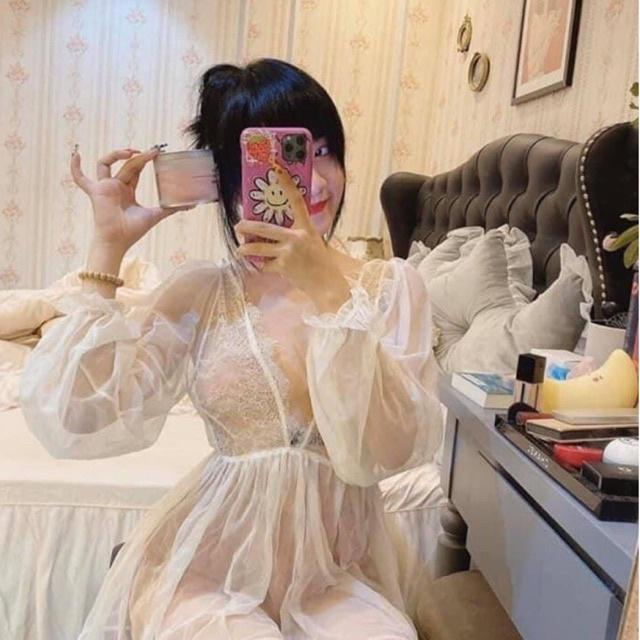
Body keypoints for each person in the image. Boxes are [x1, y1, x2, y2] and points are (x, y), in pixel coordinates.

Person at [20, 58, 442, 639]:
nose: (316, 181)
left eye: (320, 150)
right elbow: (79, 417)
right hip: (210, 566)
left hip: (338, 573)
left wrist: (329, 291)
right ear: (231, 175)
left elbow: (383, 454)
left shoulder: (392, 288)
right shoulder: (201, 292)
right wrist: (106, 248)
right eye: (280, 158)